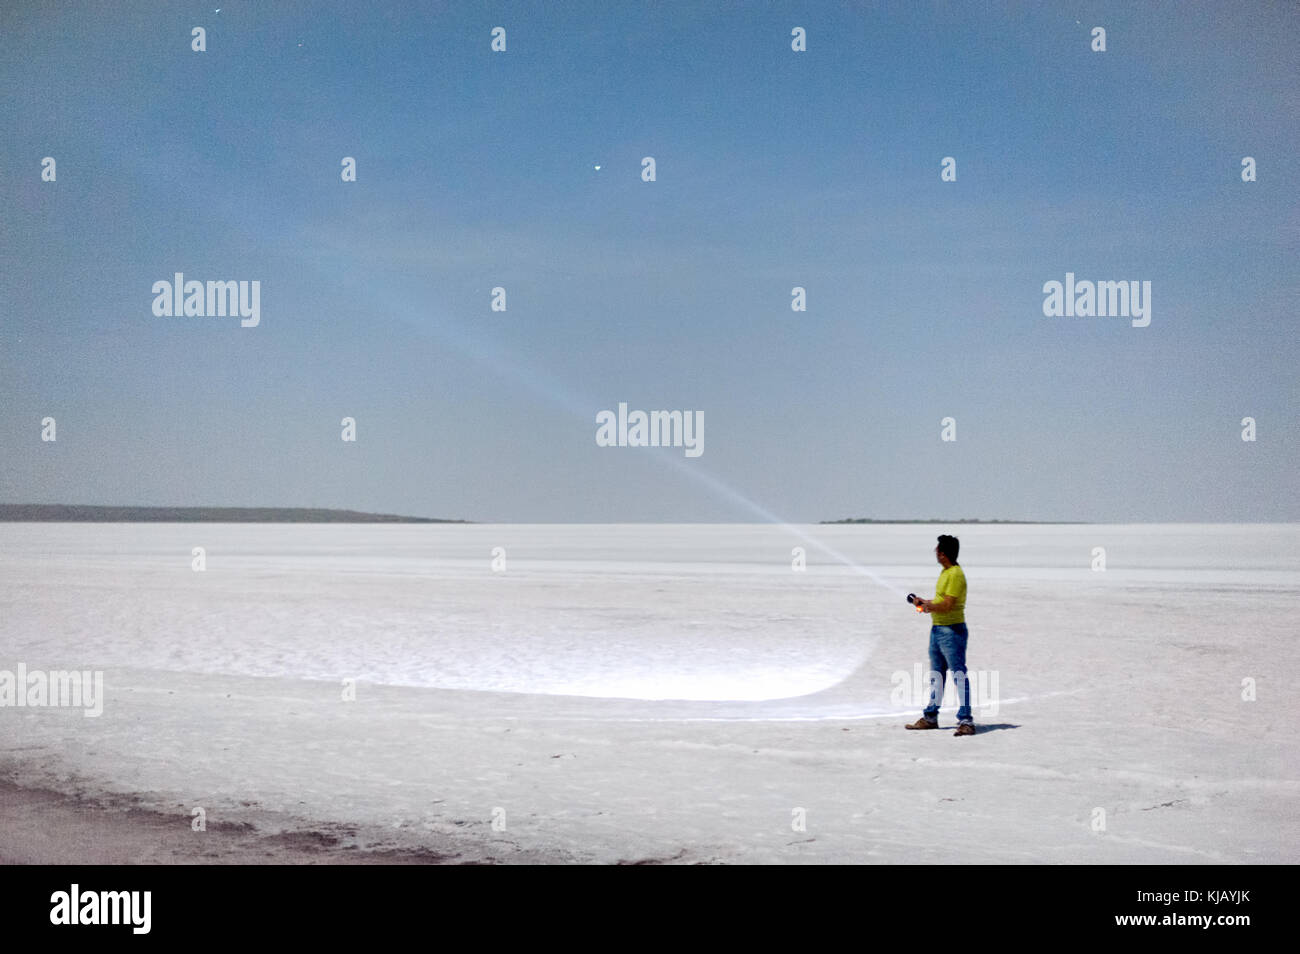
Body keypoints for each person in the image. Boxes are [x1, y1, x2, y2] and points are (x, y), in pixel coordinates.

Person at [905, 534, 975, 736]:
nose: (935, 552)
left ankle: (966, 721)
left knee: (958, 675)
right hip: (937, 630)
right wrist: (924, 603)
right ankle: (930, 717)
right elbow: (940, 602)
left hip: (952, 631)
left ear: (943, 554)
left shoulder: (955, 574)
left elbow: (948, 604)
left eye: (937, 549)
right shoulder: (945, 573)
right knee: (937, 676)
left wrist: (930, 606)